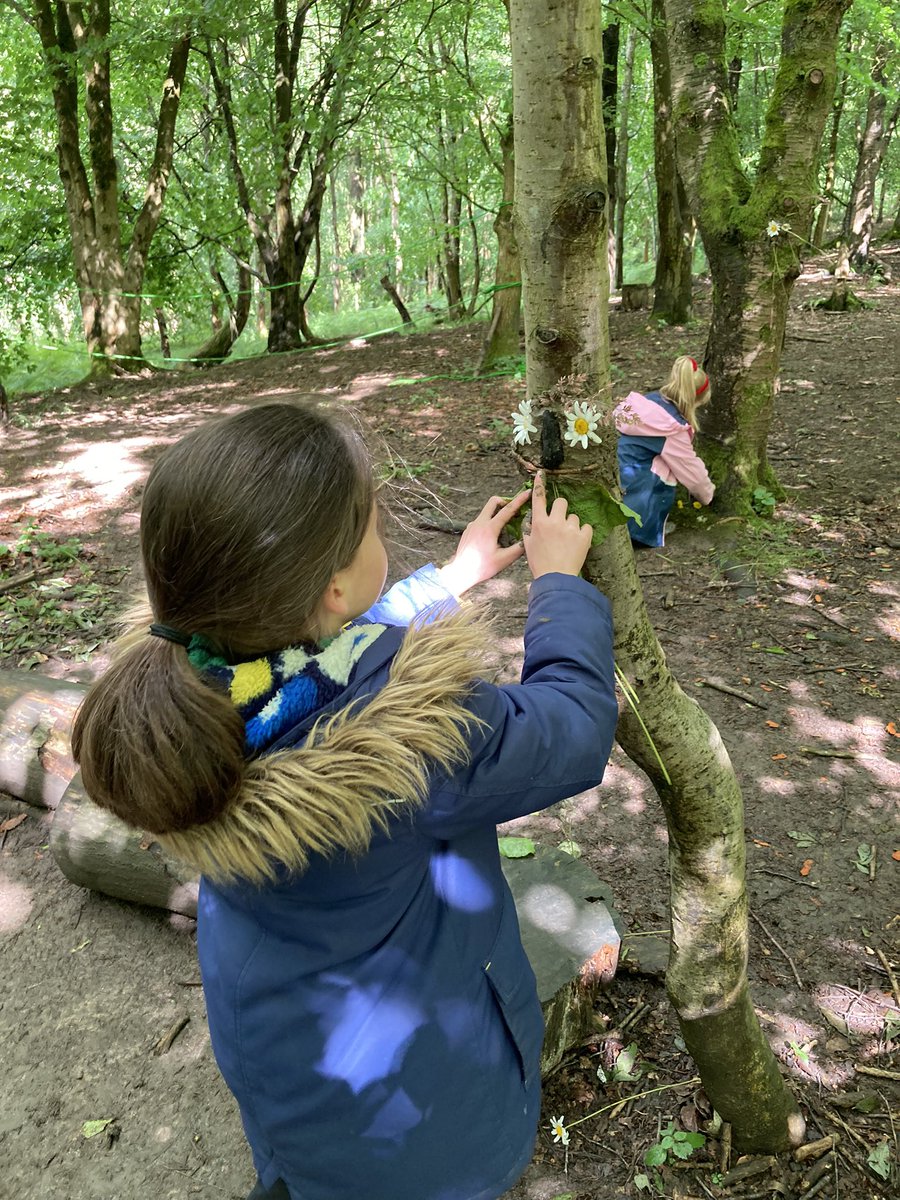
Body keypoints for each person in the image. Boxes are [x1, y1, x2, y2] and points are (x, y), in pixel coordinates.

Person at [72, 403, 619, 1200]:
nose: (381, 535)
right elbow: (571, 730)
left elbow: (320, 660)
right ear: (332, 587)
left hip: (287, 1067)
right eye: (371, 524)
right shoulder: (415, 745)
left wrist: (448, 580)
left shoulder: (196, 679)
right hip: (420, 1128)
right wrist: (561, 586)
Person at [614, 355, 715, 547]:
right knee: (666, 468)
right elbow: (692, 471)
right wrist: (707, 496)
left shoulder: (646, 403)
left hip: (615, 479)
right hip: (634, 499)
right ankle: (643, 528)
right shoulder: (671, 429)